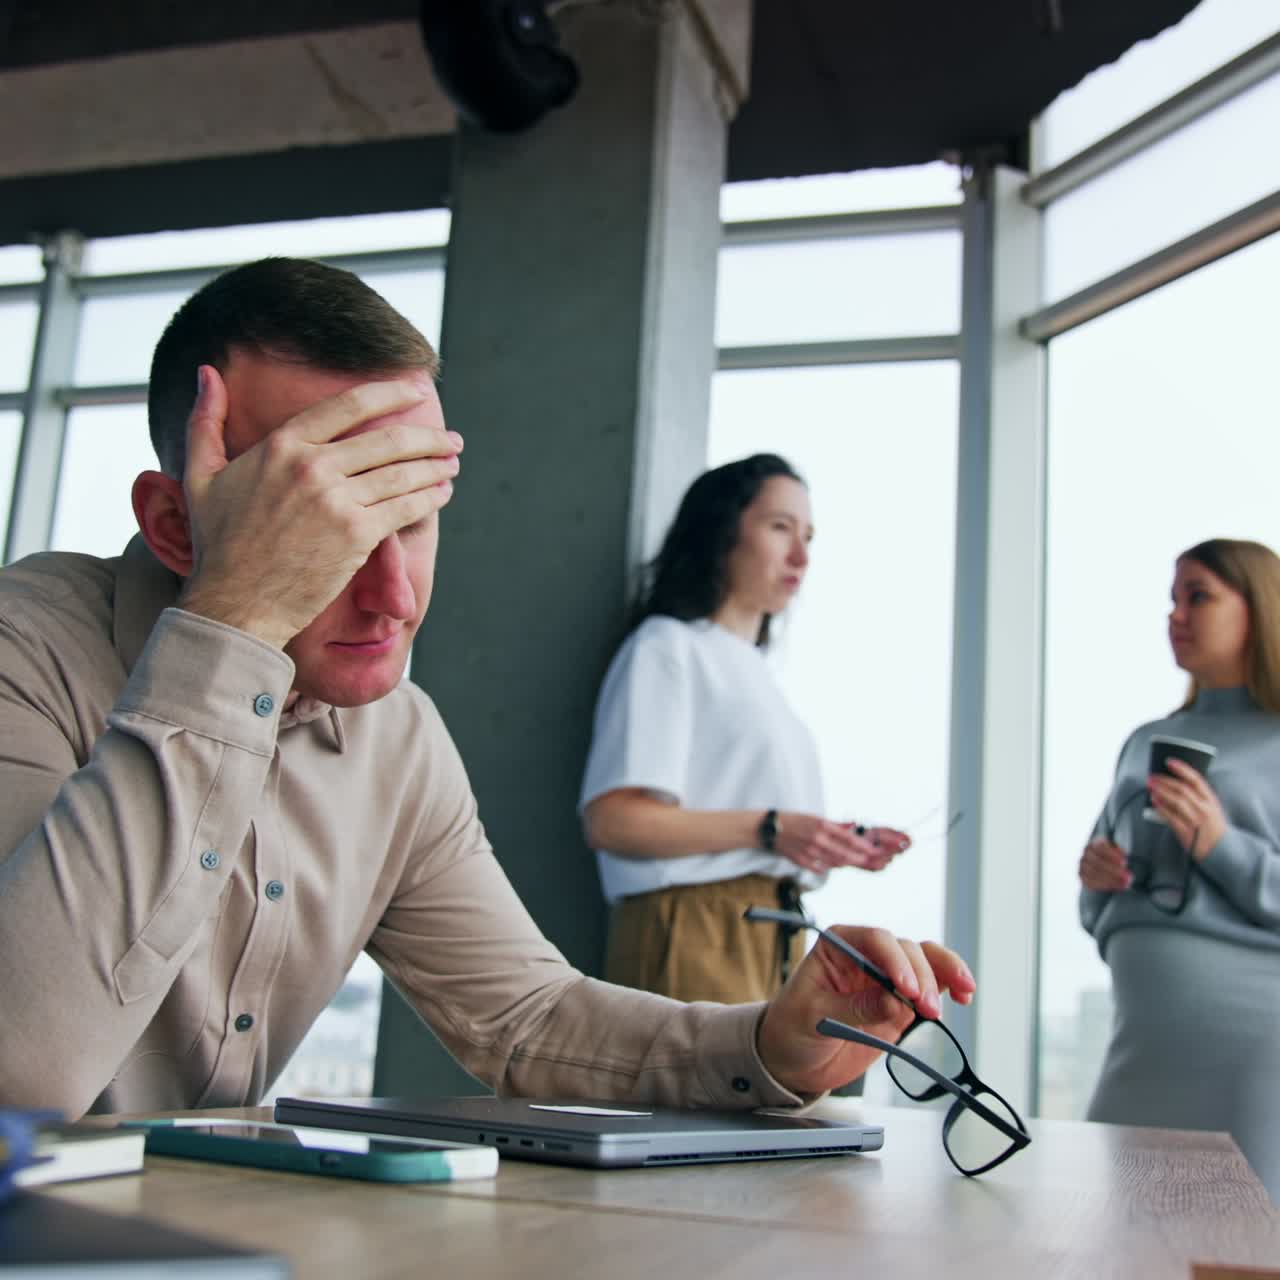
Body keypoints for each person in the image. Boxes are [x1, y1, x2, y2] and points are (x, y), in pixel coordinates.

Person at [0, 257, 974, 1119]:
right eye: (326, 528)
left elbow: (525, 1013)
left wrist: (768, 1042)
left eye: (415, 519)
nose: (395, 597)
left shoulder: (396, 735)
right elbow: (17, 1078)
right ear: (175, 526)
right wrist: (231, 623)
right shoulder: (25, 650)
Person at [579, 454, 912, 1005]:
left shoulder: (754, 672)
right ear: (722, 530)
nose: (801, 555)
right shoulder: (668, 647)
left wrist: (822, 840)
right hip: (693, 928)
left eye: (809, 536)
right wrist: (773, 829)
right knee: (695, 1092)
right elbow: (613, 821)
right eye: (780, 527)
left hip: (771, 930)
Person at [1079, 537, 1280, 1198]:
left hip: (1254, 1045)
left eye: (1199, 596)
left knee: (1245, 1244)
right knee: (1123, 1234)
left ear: (1259, 609)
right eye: (1172, 598)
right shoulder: (1143, 742)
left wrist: (1218, 842)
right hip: (1145, 1034)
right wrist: (1098, 878)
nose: (1177, 614)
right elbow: (1098, 908)